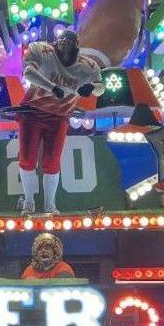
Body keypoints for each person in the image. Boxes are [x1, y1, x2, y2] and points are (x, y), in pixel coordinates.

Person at [17, 30, 104, 215]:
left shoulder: (88, 66)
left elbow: (100, 87)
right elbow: (28, 72)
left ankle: (50, 204)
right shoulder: (41, 50)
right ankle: (29, 202)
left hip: (59, 116)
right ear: (56, 41)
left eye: (69, 40)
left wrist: (92, 88)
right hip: (33, 112)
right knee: (27, 158)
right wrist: (51, 87)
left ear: (77, 46)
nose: (64, 42)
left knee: (52, 161)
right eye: (62, 38)